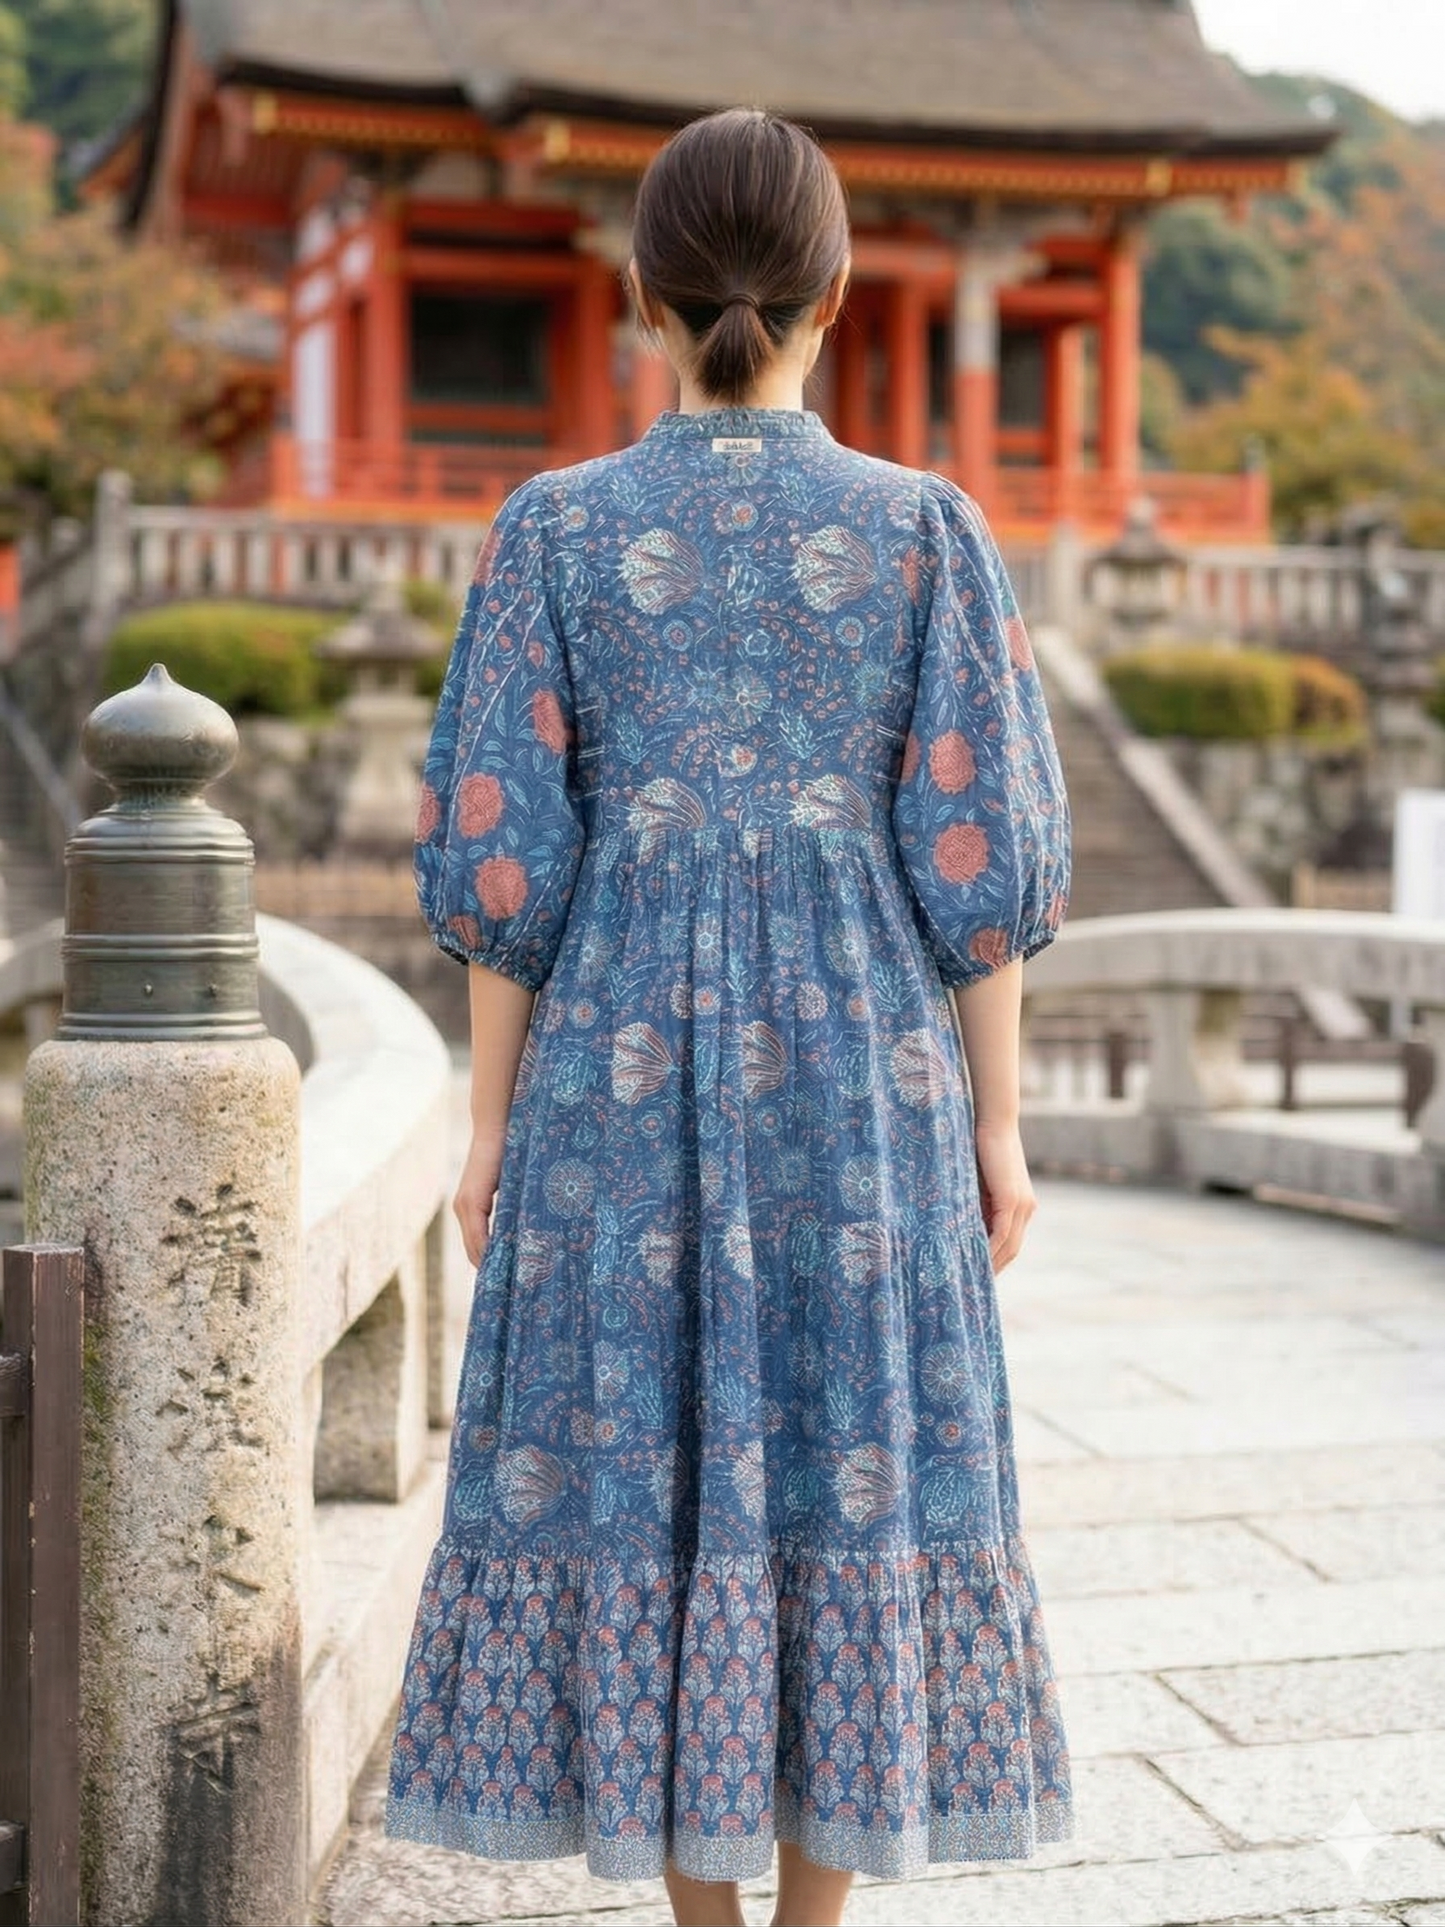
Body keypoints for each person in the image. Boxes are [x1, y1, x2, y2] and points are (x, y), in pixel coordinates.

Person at [385, 106, 1076, 1927]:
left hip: (613, 1074)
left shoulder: (555, 530)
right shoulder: (924, 530)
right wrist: (999, 1124)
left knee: (662, 1477)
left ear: (642, 297)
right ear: (836, 296)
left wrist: (488, 1127)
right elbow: (975, 851)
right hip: (865, 1073)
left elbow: (502, 854)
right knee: (850, 1473)